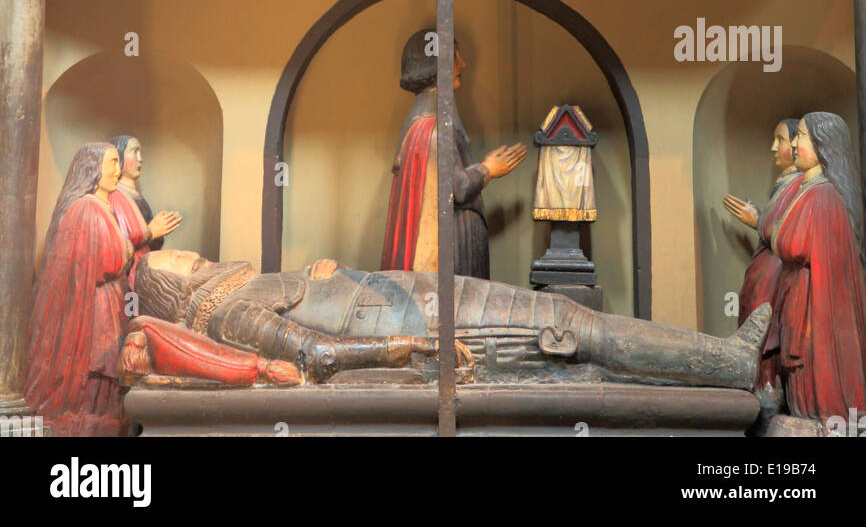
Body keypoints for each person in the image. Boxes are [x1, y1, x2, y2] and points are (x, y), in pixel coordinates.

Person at [130, 246, 771, 391]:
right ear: (176, 284)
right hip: (410, 324)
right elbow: (318, 356)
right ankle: (730, 364)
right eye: (178, 259)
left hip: (410, 295)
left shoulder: (242, 288)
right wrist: (409, 347)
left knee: (572, 327)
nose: (191, 252)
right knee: (573, 333)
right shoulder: (228, 311)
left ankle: (720, 361)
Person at [380, 29, 525, 276]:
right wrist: (489, 168)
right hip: (452, 246)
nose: (463, 65)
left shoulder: (425, 124)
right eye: (456, 57)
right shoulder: (433, 128)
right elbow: (457, 187)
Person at [764, 111, 866, 425]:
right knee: (796, 365)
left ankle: (826, 417)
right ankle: (805, 414)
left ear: (823, 144)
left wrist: (779, 236)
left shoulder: (824, 196)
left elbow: (793, 244)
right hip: (798, 292)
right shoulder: (807, 189)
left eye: (802, 136)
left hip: (814, 298)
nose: (795, 144)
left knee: (809, 359)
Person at [25, 142, 133, 436]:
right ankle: (93, 416)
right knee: (100, 360)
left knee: (110, 360)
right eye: (111, 163)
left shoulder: (102, 206)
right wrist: (125, 250)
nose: (117, 170)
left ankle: (104, 416)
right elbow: (104, 261)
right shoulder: (87, 207)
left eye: (117, 163)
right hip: (95, 302)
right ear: (92, 168)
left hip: (109, 298)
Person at [724, 118, 802, 394]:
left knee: (766, 331)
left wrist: (757, 220)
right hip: (766, 268)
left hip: (776, 273)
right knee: (757, 327)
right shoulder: (787, 184)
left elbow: (791, 234)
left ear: (797, 145)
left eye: (780, 140)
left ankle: (768, 389)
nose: (773, 147)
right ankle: (762, 386)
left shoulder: (802, 186)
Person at [109, 133, 182, 273]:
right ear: (118, 157)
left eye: (140, 152)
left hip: (143, 265)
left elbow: (150, 239)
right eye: (134, 152)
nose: (140, 159)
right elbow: (120, 243)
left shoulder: (136, 196)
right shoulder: (115, 196)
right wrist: (151, 232)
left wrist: (162, 228)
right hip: (128, 271)